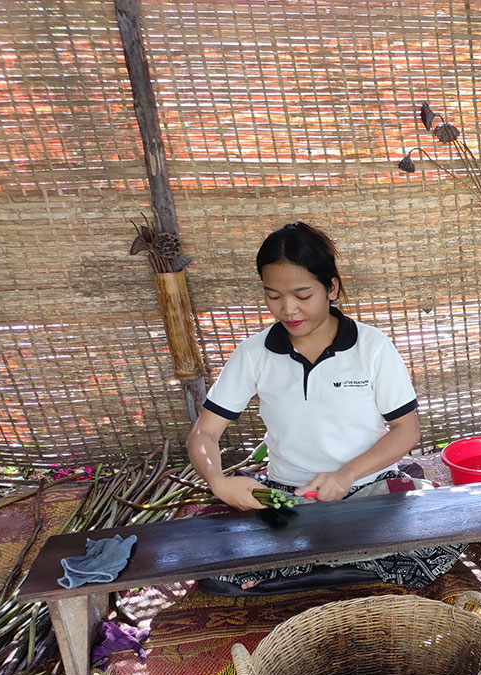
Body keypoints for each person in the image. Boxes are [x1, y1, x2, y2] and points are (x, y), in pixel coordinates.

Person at [187, 221, 463, 591]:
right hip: (287, 497)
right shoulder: (254, 354)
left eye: (303, 295)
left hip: (368, 489)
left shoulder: (371, 347)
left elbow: (406, 430)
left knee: (445, 533)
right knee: (212, 565)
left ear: (331, 287)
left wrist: (346, 476)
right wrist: (217, 481)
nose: (288, 309)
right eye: (273, 296)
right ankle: (342, 565)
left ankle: (303, 567)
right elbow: (204, 433)